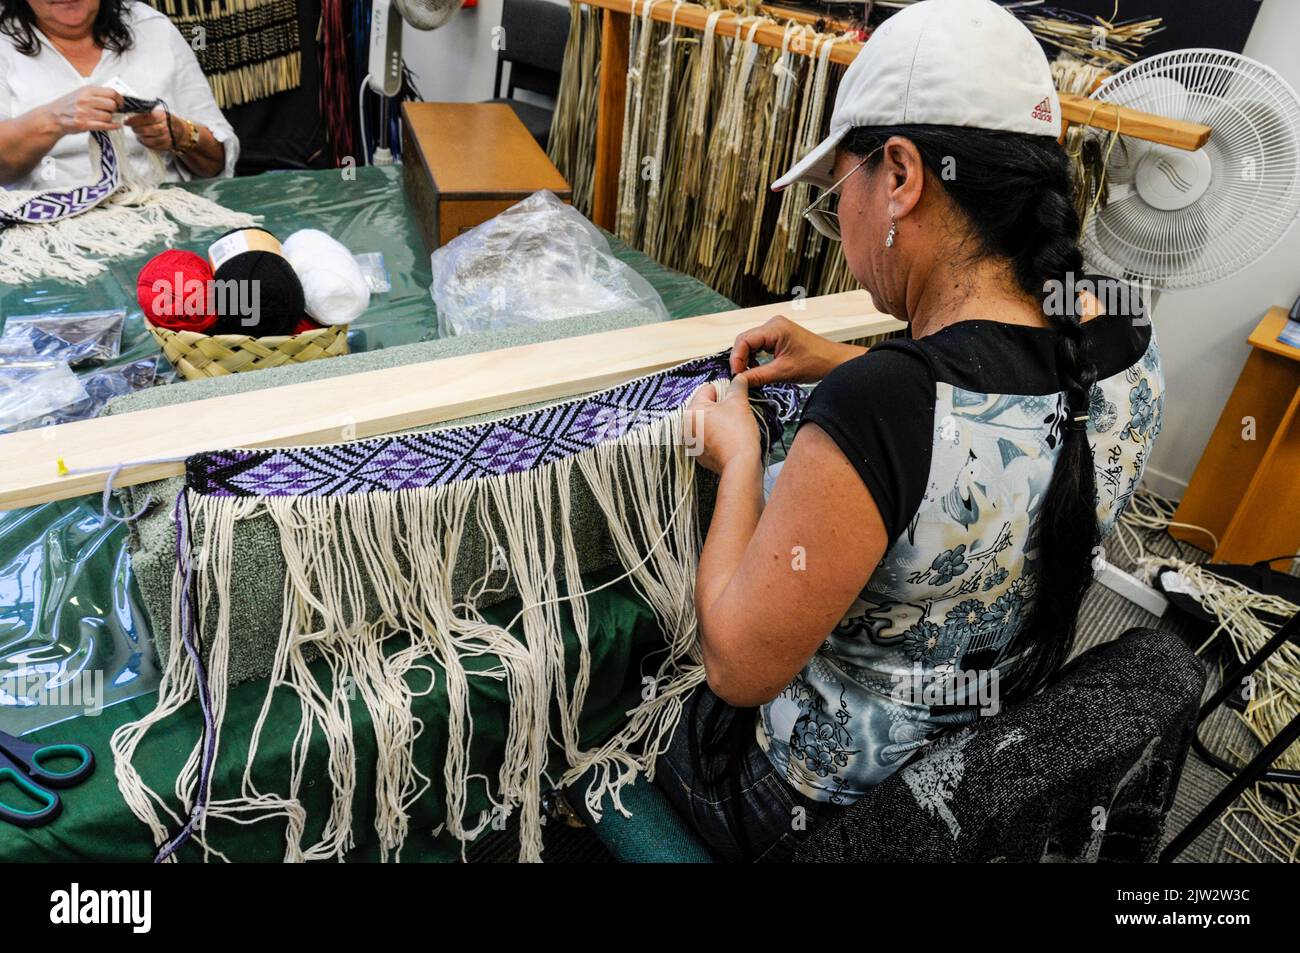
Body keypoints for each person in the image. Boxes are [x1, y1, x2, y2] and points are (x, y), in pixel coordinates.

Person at [657, 0, 1165, 861]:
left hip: (825, 811)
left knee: (629, 666)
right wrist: (858, 358)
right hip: (984, 769)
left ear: (898, 174)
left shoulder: (881, 408)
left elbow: (738, 667)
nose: (842, 219)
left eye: (839, 188)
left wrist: (739, 456)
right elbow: (1007, 363)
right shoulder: (1124, 327)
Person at [0, 0, 237, 189]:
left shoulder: (150, 26)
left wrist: (184, 136)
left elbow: (216, 163)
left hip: (160, 210)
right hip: (44, 223)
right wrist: (52, 120)